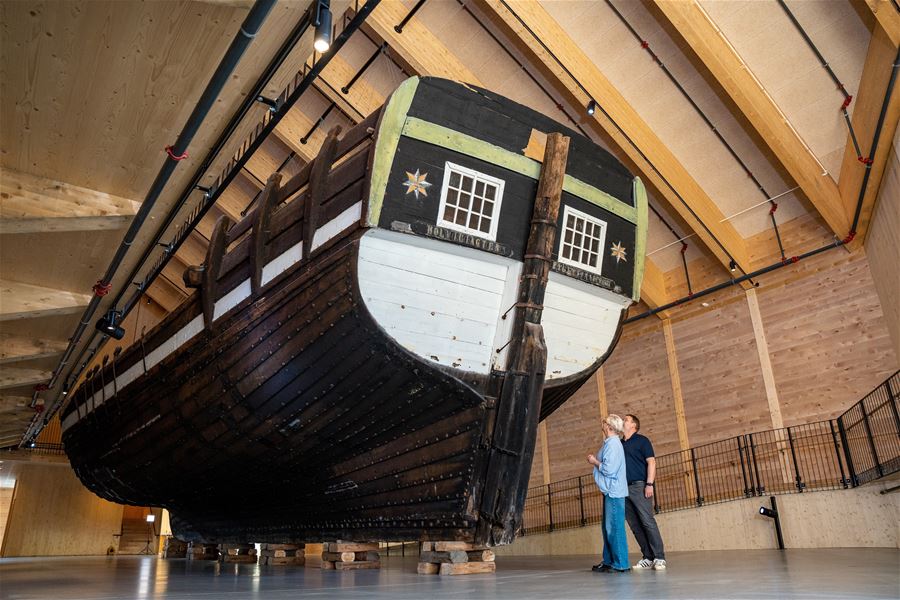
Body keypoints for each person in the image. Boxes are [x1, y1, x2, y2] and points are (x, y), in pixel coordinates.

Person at [622, 414, 667, 570]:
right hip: (623, 489)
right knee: (634, 525)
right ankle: (648, 557)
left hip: (639, 486)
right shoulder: (619, 444)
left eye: (626, 420)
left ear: (633, 425)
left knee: (647, 521)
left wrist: (649, 484)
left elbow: (651, 462)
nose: (623, 421)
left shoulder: (642, 441)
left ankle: (659, 557)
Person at [586, 414, 630, 573]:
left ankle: (621, 563)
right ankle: (609, 560)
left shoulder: (613, 445)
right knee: (608, 528)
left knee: (615, 528)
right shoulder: (610, 444)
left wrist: (594, 461)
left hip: (614, 492)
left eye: (604, 422)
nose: (602, 424)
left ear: (610, 427)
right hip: (610, 491)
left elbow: (609, 469)